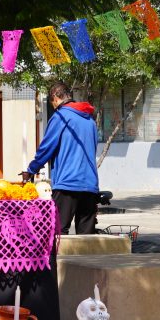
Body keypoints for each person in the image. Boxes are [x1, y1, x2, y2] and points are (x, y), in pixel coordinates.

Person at [21, 83, 100, 235]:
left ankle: (58, 260)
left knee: (57, 234)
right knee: (86, 239)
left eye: (52, 103)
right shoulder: (90, 120)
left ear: (56, 98)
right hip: (90, 185)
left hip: (67, 185)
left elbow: (46, 148)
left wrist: (31, 169)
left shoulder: (60, 117)